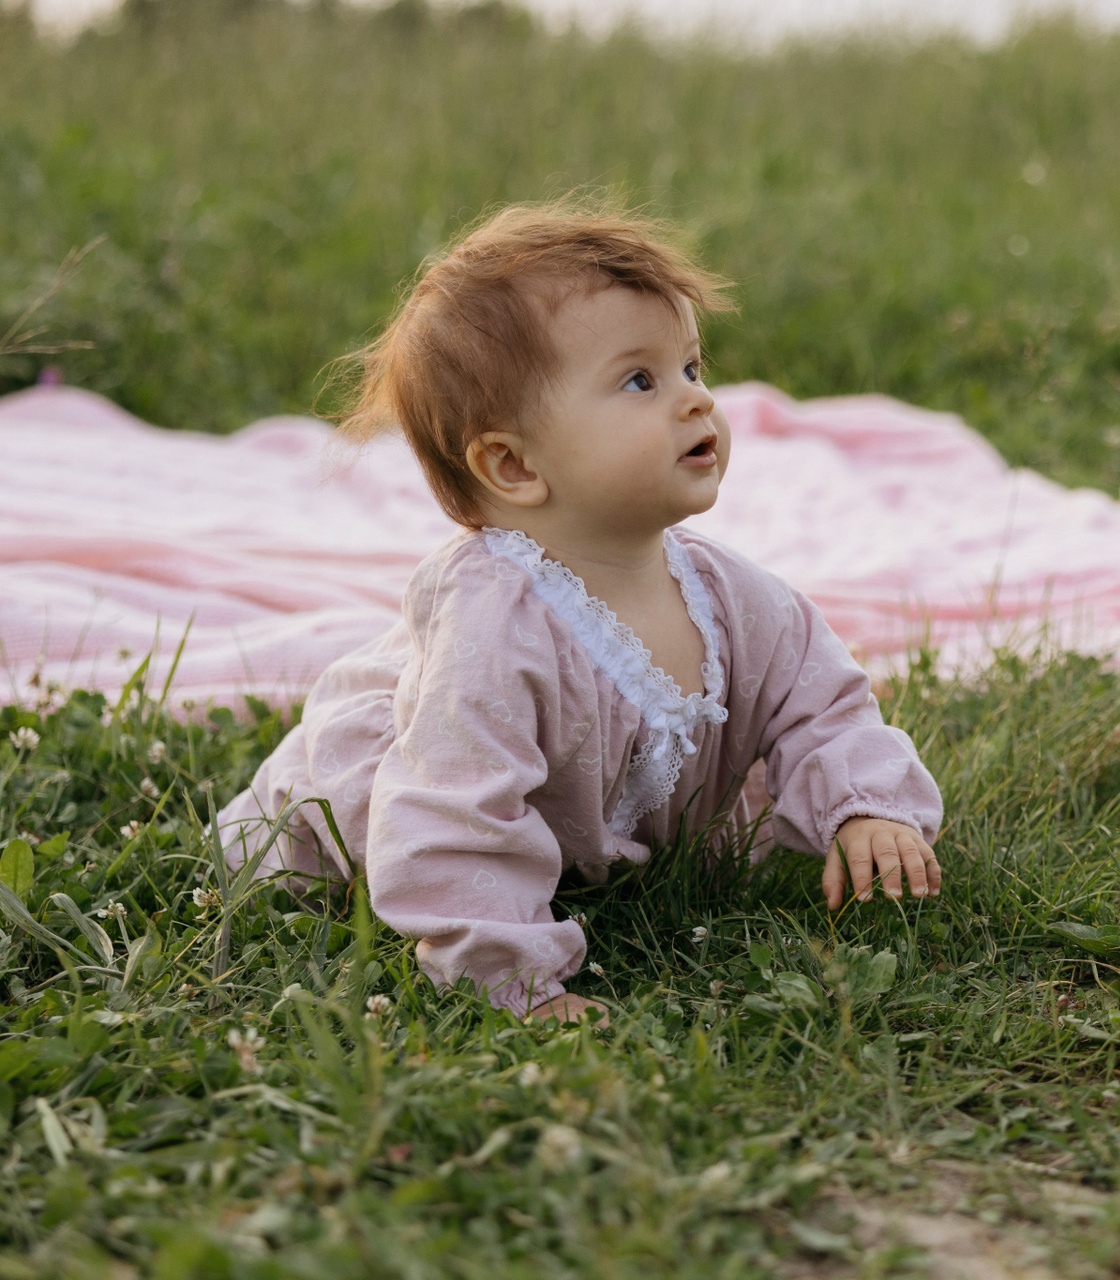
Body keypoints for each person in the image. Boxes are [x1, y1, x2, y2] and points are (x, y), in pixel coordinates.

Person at [217, 202, 943, 1024]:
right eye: (640, 381)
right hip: (366, 823)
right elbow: (454, 815)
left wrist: (866, 806)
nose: (696, 402)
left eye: (691, 368)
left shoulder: (727, 594)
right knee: (337, 843)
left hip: (567, 836)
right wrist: (512, 983)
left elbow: (818, 699)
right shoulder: (495, 631)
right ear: (513, 465)